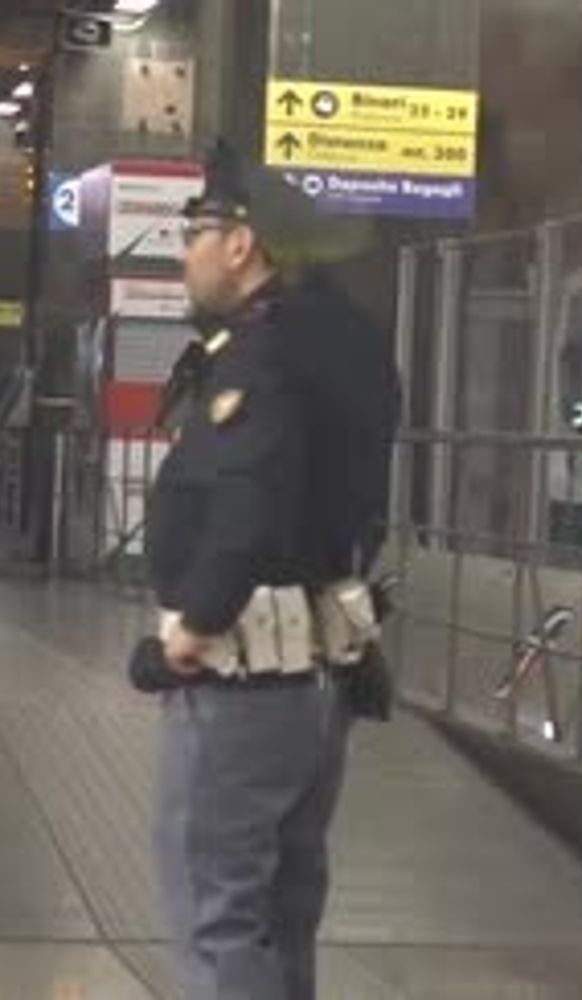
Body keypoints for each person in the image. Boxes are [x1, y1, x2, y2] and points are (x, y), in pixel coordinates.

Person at [139, 140, 398, 1000]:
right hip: (322, 676)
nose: (187, 256)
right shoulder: (349, 344)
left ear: (241, 244)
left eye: (194, 234)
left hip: (243, 685)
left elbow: (243, 503)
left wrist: (191, 626)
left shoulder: (260, 355)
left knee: (219, 921)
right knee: (284, 917)